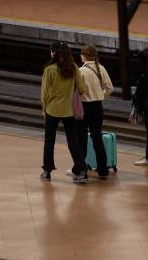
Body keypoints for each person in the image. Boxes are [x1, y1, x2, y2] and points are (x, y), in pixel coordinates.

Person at [40, 41, 87, 183]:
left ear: (53, 53)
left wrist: (44, 108)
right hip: (69, 111)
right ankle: (82, 171)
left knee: (49, 141)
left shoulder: (49, 70)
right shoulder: (74, 68)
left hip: (52, 110)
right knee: (73, 141)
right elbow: (82, 89)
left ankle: (47, 172)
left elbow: (44, 93)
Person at [73, 44, 113, 179]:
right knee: (97, 138)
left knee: (81, 138)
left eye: (81, 54)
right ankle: (103, 170)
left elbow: (78, 90)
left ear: (85, 56)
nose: (80, 56)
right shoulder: (101, 68)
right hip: (97, 107)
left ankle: (80, 168)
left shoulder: (81, 71)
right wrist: (101, 95)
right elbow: (109, 88)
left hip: (84, 107)